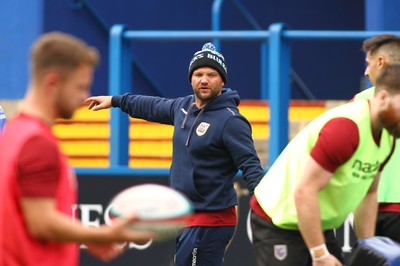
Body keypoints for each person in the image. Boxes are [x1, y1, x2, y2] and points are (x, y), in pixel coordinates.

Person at [85, 42, 265, 266]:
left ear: (222, 80)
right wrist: (115, 101)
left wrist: (266, 205)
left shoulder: (231, 121)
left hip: (211, 220)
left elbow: (250, 165)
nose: (204, 79)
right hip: (188, 217)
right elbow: (150, 106)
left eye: (211, 74)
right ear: (191, 78)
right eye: (198, 74)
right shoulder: (183, 107)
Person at [0, 32, 155, 266]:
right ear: (52, 83)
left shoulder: (14, 132)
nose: (84, 97)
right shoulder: (37, 143)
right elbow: (41, 221)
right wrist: (104, 234)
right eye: (80, 87)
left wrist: (82, 236)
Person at [250, 64, 400, 266]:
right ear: (382, 98)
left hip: (315, 221)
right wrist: (319, 254)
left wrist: (369, 248)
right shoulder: (346, 129)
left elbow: (369, 194)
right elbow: (304, 191)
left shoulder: (388, 137)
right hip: (278, 220)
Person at [351, 34, 400, 243]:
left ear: (381, 62)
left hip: (369, 209)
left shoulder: (360, 101)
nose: (366, 71)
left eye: (368, 63)